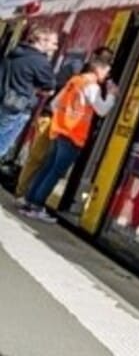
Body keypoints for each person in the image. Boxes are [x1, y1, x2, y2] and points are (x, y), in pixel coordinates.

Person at [17, 47, 119, 221]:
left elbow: (56, 104)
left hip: (59, 131)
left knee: (47, 168)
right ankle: (37, 207)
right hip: (73, 136)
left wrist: (64, 119)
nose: (107, 75)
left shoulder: (75, 81)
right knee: (55, 173)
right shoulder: (91, 86)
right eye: (107, 71)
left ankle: (29, 201)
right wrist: (111, 95)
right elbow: (101, 110)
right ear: (99, 69)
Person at [0, 27, 59, 162]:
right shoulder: (40, 63)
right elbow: (50, 89)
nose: (56, 47)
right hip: (16, 108)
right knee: (2, 146)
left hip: (3, 100)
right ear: (42, 40)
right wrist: (36, 90)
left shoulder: (13, 54)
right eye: (53, 43)